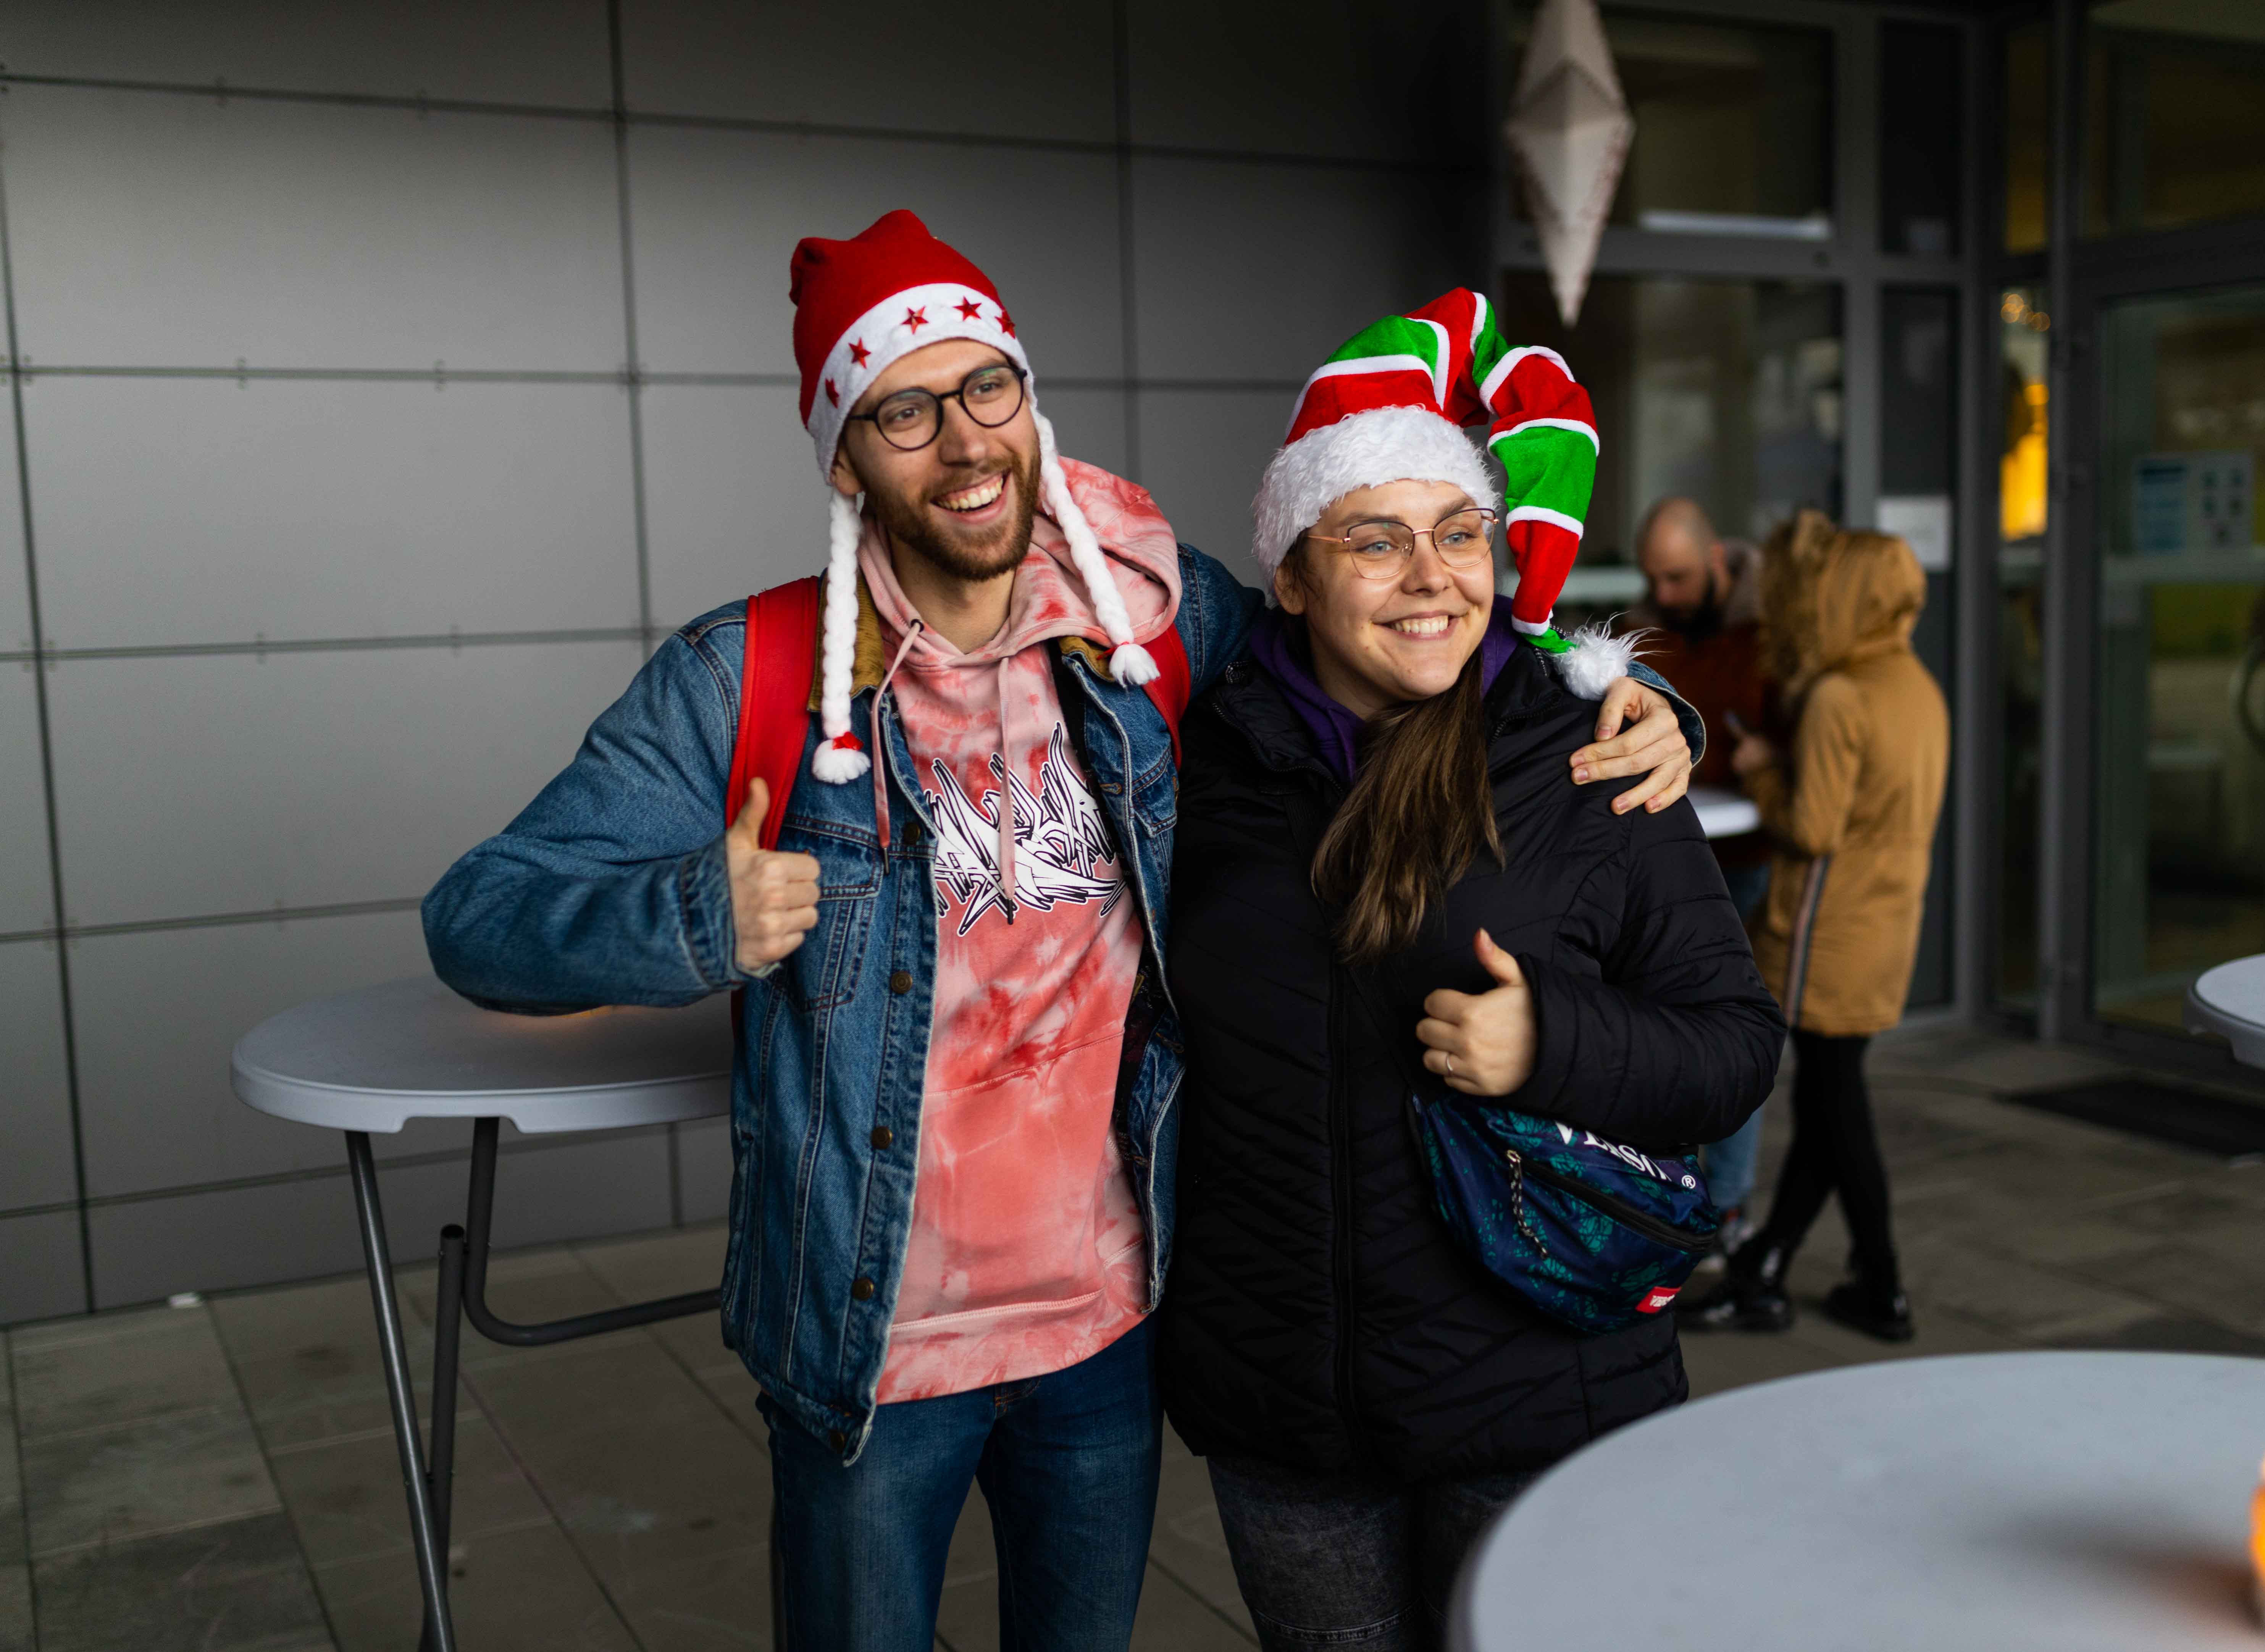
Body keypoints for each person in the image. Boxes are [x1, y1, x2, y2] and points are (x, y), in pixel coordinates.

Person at [421, 216, 1700, 1652]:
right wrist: (692, 917)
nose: (963, 440)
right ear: (845, 459)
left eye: (988, 389)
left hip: (1108, 1331)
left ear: (1028, 403)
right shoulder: (751, 673)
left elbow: (1393, 639)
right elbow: (480, 917)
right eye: (904, 410)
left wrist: (1625, 698)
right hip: (872, 1347)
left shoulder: (1151, 625)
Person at [1159, 291, 1786, 1652]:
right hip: (1284, 1408)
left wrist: (1551, 1044)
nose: (1431, 575)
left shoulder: (1590, 754)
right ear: (1290, 573)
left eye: (1459, 533)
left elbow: (1737, 1045)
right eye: (1375, 539)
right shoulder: (1195, 761)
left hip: (1538, 1394)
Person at [1677, 510, 1950, 1344]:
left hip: (1826, 932)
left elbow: (1810, 827)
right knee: (1832, 1102)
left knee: (1835, 1109)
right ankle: (1778, 1267)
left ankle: (1879, 1280)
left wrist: (1763, 769)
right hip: (1888, 920)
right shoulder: (1914, 684)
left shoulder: (1838, 695)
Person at [1624, 497, 1773, 1250]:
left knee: (1732, 1031)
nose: (1666, 593)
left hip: (1750, 861)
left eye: (1679, 577)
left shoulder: (1772, 633)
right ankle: (1666, 1200)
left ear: (1718, 561)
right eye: (1655, 578)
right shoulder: (1644, 631)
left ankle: (1728, 1209)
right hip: (1664, 860)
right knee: (1661, 1035)